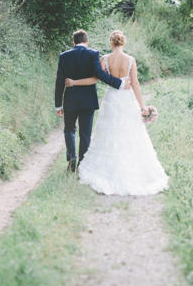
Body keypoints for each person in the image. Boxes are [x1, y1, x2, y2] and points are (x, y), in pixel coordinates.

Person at [64, 30, 169, 196]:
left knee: (108, 132)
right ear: (123, 43)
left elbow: (97, 78)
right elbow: (134, 83)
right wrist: (143, 106)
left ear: (111, 44)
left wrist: (74, 82)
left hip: (112, 98)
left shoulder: (105, 59)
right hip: (127, 100)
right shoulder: (130, 60)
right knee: (129, 133)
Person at [55, 29, 132, 172]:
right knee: (85, 133)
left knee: (69, 130)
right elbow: (99, 75)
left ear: (73, 42)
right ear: (87, 41)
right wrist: (120, 84)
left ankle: (72, 158)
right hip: (88, 101)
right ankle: (82, 164)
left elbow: (59, 81)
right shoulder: (93, 54)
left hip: (70, 100)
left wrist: (58, 105)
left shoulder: (64, 56)